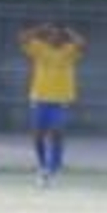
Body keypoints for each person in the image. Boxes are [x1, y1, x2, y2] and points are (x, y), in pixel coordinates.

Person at [18, 21, 86, 186]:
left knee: (57, 132)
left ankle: (53, 168)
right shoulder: (39, 48)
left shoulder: (69, 50)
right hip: (40, 99)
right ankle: (42, 166)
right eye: (51, 34)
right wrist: (39, 29)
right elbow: (22, 39)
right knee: (38, 136)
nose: (54, 37)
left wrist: (69, 31)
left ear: (63, 37)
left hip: (60, 101)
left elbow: (83, 45)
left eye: (58, 34)